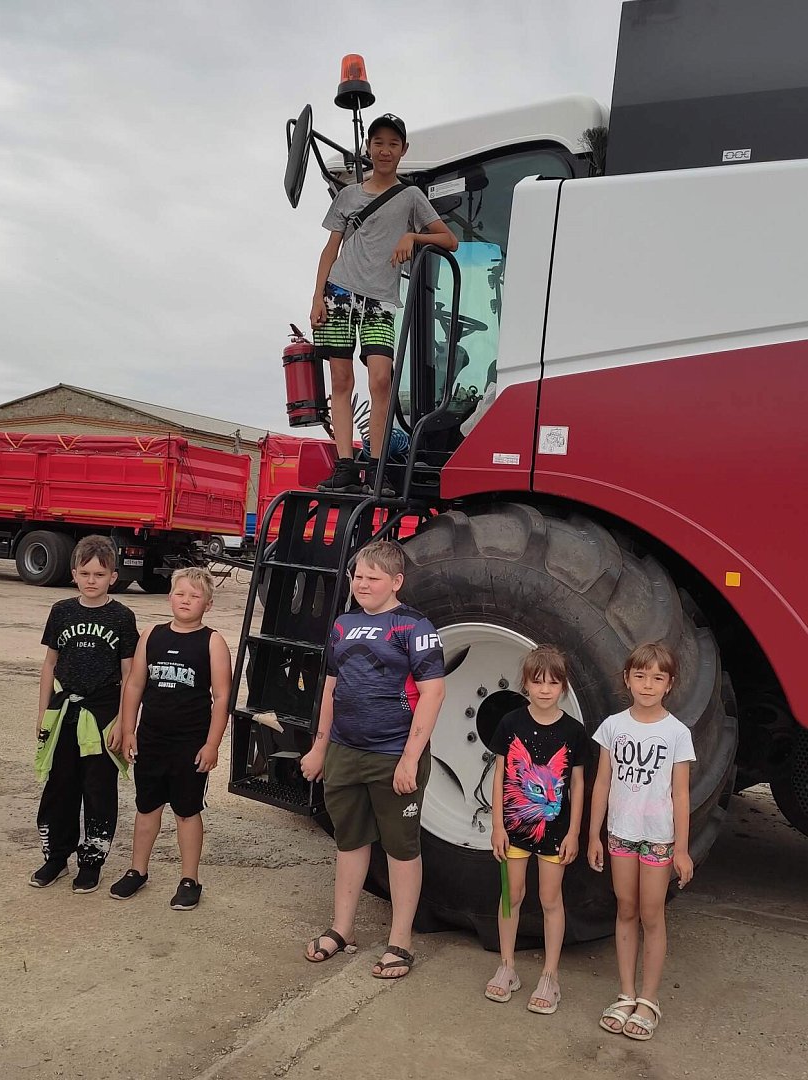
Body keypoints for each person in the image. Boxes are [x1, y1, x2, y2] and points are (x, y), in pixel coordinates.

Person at [299, 540, 445, 979]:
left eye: (373, 578)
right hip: (345, 752)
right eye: (357, 576)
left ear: (396, 581)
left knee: (401, 848)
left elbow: (433, 693)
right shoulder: (343, 625)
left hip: (393, 755)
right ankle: (341, 928)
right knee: (349, 840)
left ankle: (400, 940)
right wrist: (320, 746)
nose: (362, 584)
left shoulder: (414, 626)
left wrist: (410, 758)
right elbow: (331, 688)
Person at [310, 113, 458, 496]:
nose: (385, 150)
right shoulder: (348, 196)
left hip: (379, 299)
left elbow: (450, 240)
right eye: (378, 143)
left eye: (393, 144)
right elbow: (331, 249)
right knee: (341, 381)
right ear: (368, 148)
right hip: (339, 292)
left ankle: (377, 468)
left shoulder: (411, 197)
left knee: (381, 380)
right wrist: (316, 297)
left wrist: (413, 236)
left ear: (403, 150)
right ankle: (345, 467)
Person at [588, 642, 695, 1042]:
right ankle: (626, 994)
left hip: (658, 839)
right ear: (627, 679)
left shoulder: (677, 733)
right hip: (621, 834)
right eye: (640, 676)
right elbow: (602, 782)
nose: (648, 685)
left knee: (652, 914)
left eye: (657, 678)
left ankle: (648, 1000)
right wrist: (594, 834)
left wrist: (681, 849)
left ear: (669, 684)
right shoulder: (612, 727)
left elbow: (680, 794)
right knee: (626, 908)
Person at [109, 567, 232, 910]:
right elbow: (135, 684)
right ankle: (137, 870)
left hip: (190, 745)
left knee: (186, 811)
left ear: (208, 604)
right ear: (169, 597)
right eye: (180, 594)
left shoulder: (213, 642)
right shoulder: (152, 634)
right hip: (151, 739)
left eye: (195, 596)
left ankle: (190, 879)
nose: (186, 600)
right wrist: (129, 730)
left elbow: (222, 697)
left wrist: (212, 744)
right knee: (147, 807)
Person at [31, 534, 138, 893]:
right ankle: (56, 857)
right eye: (85, 573)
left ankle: (91, 862)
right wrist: (43, 713)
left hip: (103, 713)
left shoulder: (122, 617)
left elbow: (129, 674)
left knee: (98, 789)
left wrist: (125, 723)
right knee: (60, 786)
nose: (92, 580)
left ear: (113, 577)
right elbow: (49, 664)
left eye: (100, 574)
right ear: (74, 573)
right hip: (65, 711)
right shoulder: (61, 611)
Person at [485, 645, 587, 1013]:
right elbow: (500, 775)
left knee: (549, 899)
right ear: (525, 684)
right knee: (511, 894)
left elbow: (578, 784)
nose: (545, 689)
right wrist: (497, 825)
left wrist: (574, 832)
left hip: (556, 834)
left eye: (553, 682)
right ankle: (507, 966)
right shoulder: (511, 723)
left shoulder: (574, 731)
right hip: (513, 830)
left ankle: (550, 976)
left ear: (564, 687)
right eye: (538, 681)